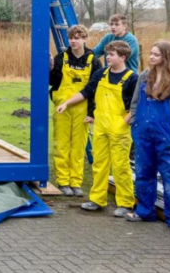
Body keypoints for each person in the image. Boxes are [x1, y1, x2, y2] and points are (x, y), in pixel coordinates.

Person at [56, 41, 137, 217]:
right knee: (99, 165)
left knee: (120, 167)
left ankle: (125, 203)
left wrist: (125, 122)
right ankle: (97, 199)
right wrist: (66, 103)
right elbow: (86, 92)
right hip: (100, 127)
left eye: (112, 55)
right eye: (107, 54)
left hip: (119, 129)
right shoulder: (101, 74)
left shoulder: (132, 78)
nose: (107, 57)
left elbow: (136, 105)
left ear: (123, 57)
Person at [125, 41, 170, 232]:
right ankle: (144, 211)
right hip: (143, 134)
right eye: (151, 54)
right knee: (144, 174)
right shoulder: (145, 76)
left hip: (168, 137)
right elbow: (136, 101)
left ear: (166, 57)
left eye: (156, 54)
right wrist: (135, 123)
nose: (151, 57)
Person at [48, 25, 101, 197]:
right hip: (62, 108)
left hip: (82, 109)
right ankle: (63, 181)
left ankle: (76, 182)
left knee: (78, 146)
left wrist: (92, 113)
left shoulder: (93, 60)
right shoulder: (60, 58)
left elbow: (96, 89)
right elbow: (52, 82)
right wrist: (49, 68)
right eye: (71, 37)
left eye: (77, 37)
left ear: (85, 39)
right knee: (61, 145)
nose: (73, 41)